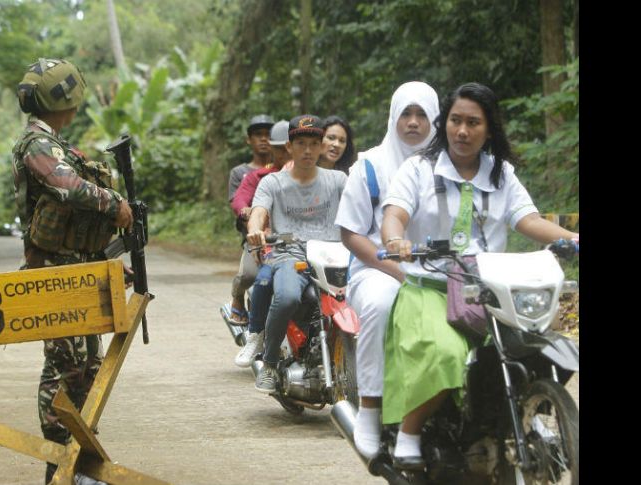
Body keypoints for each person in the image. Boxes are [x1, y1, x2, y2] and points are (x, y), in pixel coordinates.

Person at [379, 82, 579, 470]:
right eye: (455, 121)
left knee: (551, 339)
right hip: (431, 287)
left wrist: (572, 238)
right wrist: (395, 239)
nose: (463, 131)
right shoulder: (418, 168)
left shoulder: (501, 173)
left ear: (489, 129)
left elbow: (529, 219)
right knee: (446, 353)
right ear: (445, 123)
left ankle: (513, 416)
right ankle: (410, 431)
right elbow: (395, 214)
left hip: (490, 290)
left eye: (473, 122)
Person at [12, 58, 133, 484]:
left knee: (87, 364)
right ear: (66, 101)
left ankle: (77, 460)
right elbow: (67, 186)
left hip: (78, 269)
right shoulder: (37, 145)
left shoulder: (55, 143)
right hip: (53, 272)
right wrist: (114, 203)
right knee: (64, 363)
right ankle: (57, 460)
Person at [334, 81, 440, 459]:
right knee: (381, 304)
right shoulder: (370, 165)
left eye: (421, 115)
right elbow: (350, 233)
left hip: (437, 267)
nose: (413, 123)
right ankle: (371, 405)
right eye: (405, 114)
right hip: (374, 267)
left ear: (436, 119)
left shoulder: (448, 166)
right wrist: (396, 269)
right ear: (393, 118)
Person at [247, 114, 348, 392]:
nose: (307, 150)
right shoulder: (273, 183)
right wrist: (255, 229)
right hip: (289, 255)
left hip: (332, 256)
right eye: (300, 143)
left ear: (321, 146)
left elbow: (361, 210)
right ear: (289, 147)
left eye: (314, 143)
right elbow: (258, 212)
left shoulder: (338, 180)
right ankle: (268, 363)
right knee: (288, 295)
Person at [231, 119, 291, 368]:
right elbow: (243, 201)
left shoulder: (318, 177)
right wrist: (251, 220)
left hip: (301, 245)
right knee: (254, 277)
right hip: (268, 243)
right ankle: (255, 333)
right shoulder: (259, 177)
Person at [226, 114, 275, 324]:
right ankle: (237, 296)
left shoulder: (285, 169)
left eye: (268, 135)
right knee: (248, 275)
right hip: (254, 236)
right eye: (258, 135)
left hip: (283, 234)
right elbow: (237, 203)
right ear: (249, 140)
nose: (263, 139)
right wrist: (248, 215)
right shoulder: (241, 173)